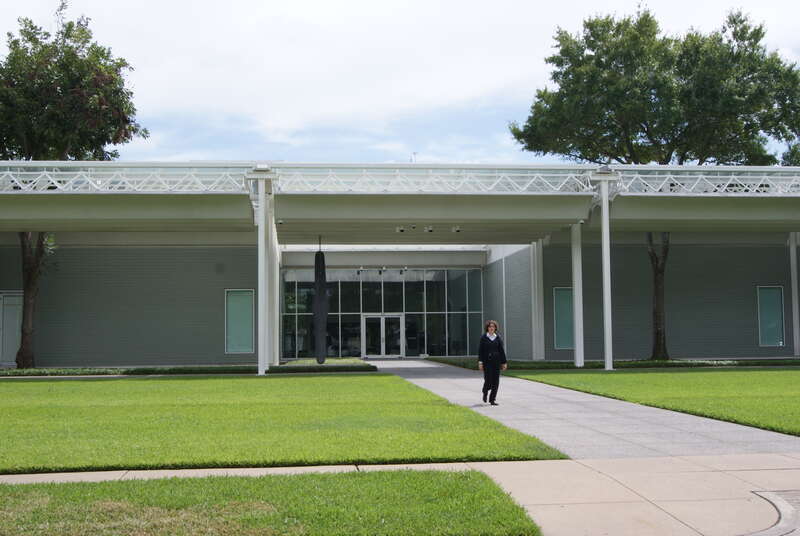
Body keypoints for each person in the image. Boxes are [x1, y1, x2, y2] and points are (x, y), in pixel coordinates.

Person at [477, 320, 507, 405]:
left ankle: (492, 400)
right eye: (490, 326)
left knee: (496, 381)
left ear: (495, 328)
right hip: (487, 362)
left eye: (493, 326)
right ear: (487, 328)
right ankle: (485, 391)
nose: (491, 328)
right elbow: (480, 351)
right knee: (488, 380)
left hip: (496, 362)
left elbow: (501, 351)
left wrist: (504, 362)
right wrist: (480, 362)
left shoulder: (498, 338)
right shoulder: (483, 337)